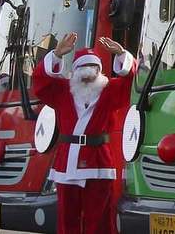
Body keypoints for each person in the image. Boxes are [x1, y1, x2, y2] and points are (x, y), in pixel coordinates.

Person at [32, 34, 134, 234]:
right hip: (67, 163)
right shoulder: (62, 91)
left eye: (93, 71)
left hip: (98, 163)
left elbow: (132, 81)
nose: (88, 76)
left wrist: (121, 54)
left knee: (100, 220)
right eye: (83, 70)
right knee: (67, 219)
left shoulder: (109, 90)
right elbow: (40, 83)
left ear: (100, 72)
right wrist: (56, 55)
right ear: (74, 71)